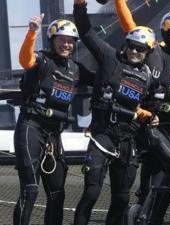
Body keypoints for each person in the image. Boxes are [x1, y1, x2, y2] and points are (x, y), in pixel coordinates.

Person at [73, 1, 158, 224]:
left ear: (148, 51)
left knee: (121, 199)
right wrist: (80, 6)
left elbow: (150, 107)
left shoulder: (149, 76)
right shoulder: (109, 56)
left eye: (140, 49)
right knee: (91, 192)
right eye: (131, 46)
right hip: (103, 134)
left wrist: (152, 117)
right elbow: (86, 32)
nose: (134, 51)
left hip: (128, 140)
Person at [114, 0, 170, 224]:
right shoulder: (155, 52)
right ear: (166, 33)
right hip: (150, 128)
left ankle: (147, 215)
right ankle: (141, 216)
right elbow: (130, 27)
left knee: (167, 183)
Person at [14, 14, 94, 225]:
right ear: (52, 40)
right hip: (31, 127)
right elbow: (25, 59)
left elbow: (102, 78)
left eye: (70, 41)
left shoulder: (76, 69)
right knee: (30, 190)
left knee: (57, 194)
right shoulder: (41, 60)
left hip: (54, 136)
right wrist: (32, 32)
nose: (66, 44)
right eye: (61, 39)